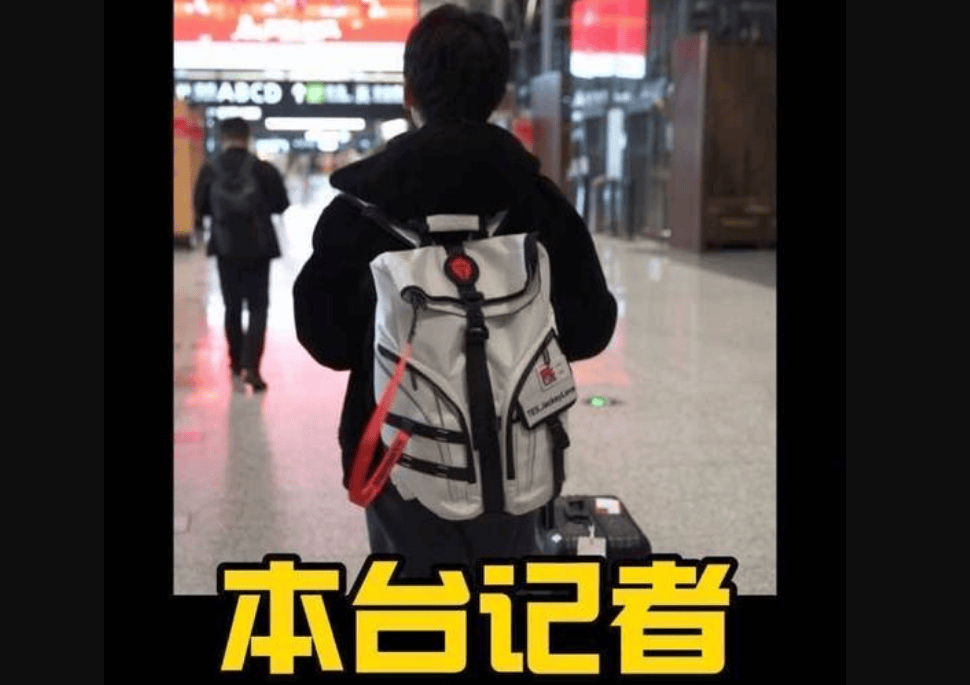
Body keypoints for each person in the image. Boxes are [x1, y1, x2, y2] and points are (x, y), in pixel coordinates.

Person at [292, 4, 617, 577]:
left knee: (416, 600)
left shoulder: (358, 212)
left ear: (409, 91)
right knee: (506, 597)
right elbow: (591, 328)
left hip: (397, 452)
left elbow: (326, 341)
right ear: (499, 94)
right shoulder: (539, 202)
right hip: (519, 446)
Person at [194, 117, 290, 392]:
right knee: (258, 307)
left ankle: (235, 364)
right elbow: (281, 204)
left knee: (232, 306)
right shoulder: (263, 168)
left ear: (222, 138)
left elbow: (201, 207)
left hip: (225, 247)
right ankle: (252, 367)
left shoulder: (209, 169)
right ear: (247, 138)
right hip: (259, 247)